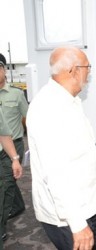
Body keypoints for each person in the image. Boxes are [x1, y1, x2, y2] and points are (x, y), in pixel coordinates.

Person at [26, 46, 96, 250]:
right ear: (74, 70)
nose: (89, 72)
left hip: (84, 204)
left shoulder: (68, 101)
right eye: (88, 67)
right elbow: (56, 173)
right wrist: (78, 225)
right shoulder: (49, 108)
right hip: (69, 216)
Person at [0, 53, 28, 240]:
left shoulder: (17, 93)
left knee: (6, 186)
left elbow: (27, 118)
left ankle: (1, 227)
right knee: (7, 182)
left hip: (13, 146)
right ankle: (18, 206)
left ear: (3, 70)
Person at [0, 101, 23, 250]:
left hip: (5, 153)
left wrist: (15, 159)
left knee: (7, 188)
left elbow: (3, 132)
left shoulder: (17, 94)